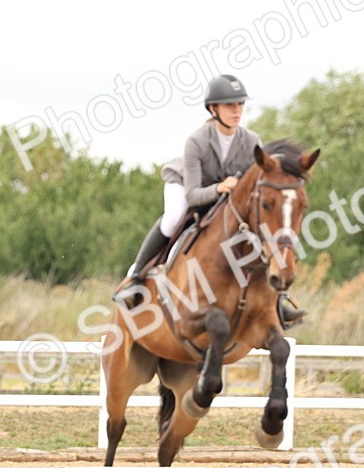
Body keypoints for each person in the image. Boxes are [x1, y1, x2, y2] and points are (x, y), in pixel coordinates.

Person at [113, 74, 306, 327]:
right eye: (230, 105)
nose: (236, 111)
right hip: (186, 185)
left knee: (259, 228)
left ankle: (277, 298)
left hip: (225, 194)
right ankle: (135, 278)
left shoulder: (252, 142)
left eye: (240, 105)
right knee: (173, 218)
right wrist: (219, 188)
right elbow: (193, 194)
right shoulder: (197, 141)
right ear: (213, 109)